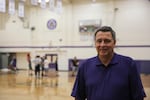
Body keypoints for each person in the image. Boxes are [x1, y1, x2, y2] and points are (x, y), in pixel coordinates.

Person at [71, 26, 146, 100]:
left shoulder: (129, 64)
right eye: (99, 41)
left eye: (107, 41)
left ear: (114, 43)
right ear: (95, 43)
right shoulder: (85, 66)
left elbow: (138, 96)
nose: (102, 45)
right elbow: (79, 97)